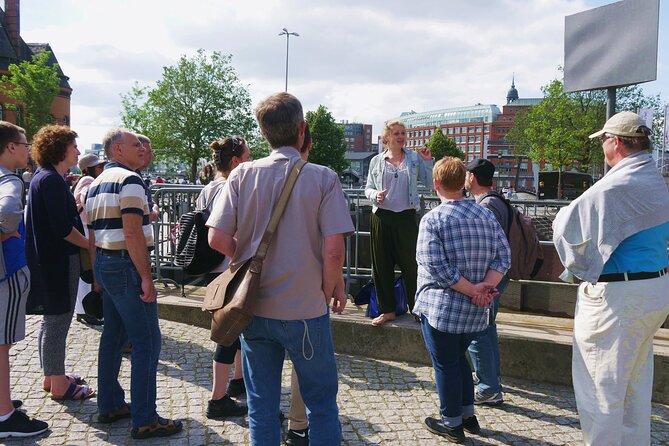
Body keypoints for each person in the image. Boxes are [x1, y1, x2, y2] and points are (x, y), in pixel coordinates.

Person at [208, 92, 353, 444]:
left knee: (260, 403)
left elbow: (216, 236)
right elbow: (334, 249)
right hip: (305, 307)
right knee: (321, 404)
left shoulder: (242, 174)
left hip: (254, 307)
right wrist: (334, 286)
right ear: (302, 130)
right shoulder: (323, 177)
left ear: (263, 134)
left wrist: (244, 261)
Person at [552, 111, 669, 446]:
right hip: (654, 289)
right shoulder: (654, 178)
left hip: (619, 298)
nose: (602, 145)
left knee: (600, 389)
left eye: (603, 139)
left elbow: (567, 225)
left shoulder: (615, 185)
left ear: (615, 142)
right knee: (634, 385)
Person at [86, 128, 182, 439]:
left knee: (113, 336)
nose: (141, 147)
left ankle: (111, 404)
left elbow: (93, 233)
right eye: (134, 143)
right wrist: (145, 276)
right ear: (116, 150)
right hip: (126, 265)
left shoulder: (97, 181)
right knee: (147, 342)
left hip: (106, 261)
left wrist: (96, 274)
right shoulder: (130, 180)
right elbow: (131, 233)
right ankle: (144, 418)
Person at [414, 157, 510, 443]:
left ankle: (451, 422)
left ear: (436, 184)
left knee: (445, 363)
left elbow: (436, 266)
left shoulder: (433, 219)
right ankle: (468, 416)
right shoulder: (485, 215)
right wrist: (485, 289)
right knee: (460, 361)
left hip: (442, 309)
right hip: (476, 312)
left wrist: (472, 289)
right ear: (464, 182)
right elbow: (504, 256)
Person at [25, 125, 94, 401]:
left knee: (50, 322)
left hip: (49, 261)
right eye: (74, 146)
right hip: (58, 261)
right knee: (58, 323)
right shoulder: (52, 180)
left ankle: (51, 375)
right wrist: (90, 245)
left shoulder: (45, 177)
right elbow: (62, 228)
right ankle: (59, 385)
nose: (78, 151)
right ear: (59, 148)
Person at [0, 121, 49, 438]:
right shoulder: (11, 181)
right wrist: (6, 229)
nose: (28, 148)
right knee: (2, 343)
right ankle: (5, 417)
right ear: (10, 147)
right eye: (23, 142)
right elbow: (6, 212)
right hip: (7, 272)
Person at [199, 136, 250, 419]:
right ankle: (218, 399)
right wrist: (238, 257)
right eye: (248, 157)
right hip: (228, 270)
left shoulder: (208, 188)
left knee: (234, 332)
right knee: (228, 335)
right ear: (236, 162)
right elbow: (220, 235)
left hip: (216, 271)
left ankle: (238, 381)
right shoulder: (231, 187)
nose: (252, 163)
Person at [364, 120, 432, 326]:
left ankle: (417, 309)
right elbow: (367, 189)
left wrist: (428, 162)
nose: (401, 136)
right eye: (396, 133)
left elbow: (429, 186)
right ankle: (387, 310)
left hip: (406, 217)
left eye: (403, 133)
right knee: (381, 266)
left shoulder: (413, 159)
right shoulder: (377, 161)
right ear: (386, 138)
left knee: (412, 266)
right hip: (381, 217)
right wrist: (376, 195)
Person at [464, 158, 510, 406]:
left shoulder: (486, 206)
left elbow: (491, 247)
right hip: (496, 276)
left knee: (478, 330)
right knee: (487, 328)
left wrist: (481, 284)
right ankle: (490, 379)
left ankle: (489, 387)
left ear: (472, 177)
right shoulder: (495, 201)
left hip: (488, 278)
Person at [72, 153, 106, 326]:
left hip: (85, 228)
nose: (102, 169)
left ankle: (82, 310)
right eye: (99, 166)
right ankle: (86, 310)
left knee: (85, 272)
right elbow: (87, 198)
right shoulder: (87, 181)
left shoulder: (82, 180)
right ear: (90, 169)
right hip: (86, 229)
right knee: (87, 271)